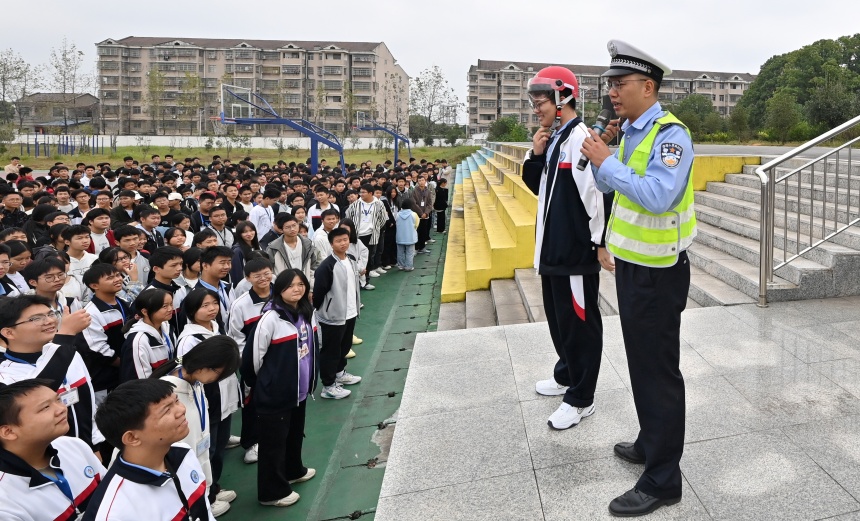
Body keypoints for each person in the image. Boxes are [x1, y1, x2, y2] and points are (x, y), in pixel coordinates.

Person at [580, 40, 696, 517]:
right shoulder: (630, 130)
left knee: (658, 373)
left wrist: (610, 160)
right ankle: (652, 442)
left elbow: (656, 197)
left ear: (648, 87)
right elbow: (612, 185)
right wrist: (603, 157)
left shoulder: (671, 135)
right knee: (642, 365)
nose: (612, 92)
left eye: (620, 84)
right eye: (609, 84)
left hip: (658, 274)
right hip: (632, 267)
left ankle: (664, 479)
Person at [520, 65, 609, 432]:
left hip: (574, 254)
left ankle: (581, 398)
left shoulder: (580, 138)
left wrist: (600, 243)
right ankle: (566, 373)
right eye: (535, 101)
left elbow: (597, 196)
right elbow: (539, 187)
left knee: (580, 327)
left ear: (563, 98)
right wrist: (536, 153)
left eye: (541, 100)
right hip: (553, 253)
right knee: (559, 322)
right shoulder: (556, 137)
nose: (536, 107)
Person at [84, 379, 216, 521]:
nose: (181, 410)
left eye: (176, 401)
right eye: (166, 410)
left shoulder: (183, 453)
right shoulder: (115, 512)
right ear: (132, 438)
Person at [243, 269, 318, 507]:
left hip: (300, 389)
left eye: (301, 284)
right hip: (276, 393)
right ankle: (271, 492)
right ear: (279, 290)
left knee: (295, 433)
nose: (297, 289)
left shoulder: (307, 313)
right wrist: (268, 384)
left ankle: (293, 470)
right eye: (290, 286)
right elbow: (253, 359)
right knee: (273, 444)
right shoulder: (270, 319)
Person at [151, 337, 241, 518]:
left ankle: (208, 493)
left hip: (199, 453)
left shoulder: (195, 382)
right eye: (219, 373)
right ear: (203, 366)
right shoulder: (167, 394)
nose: (217, 378)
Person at [0, 295, 101, 452]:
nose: (49, 321)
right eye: (36, 318)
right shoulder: (4, 375)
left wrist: (93, 446)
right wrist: (65, 335)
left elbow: (88, 402)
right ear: (9, 332)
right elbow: (38, 392)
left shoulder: (69, 354)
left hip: (85, 450)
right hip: (43, 459)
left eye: (50, 314)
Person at [0, 379, 106, 520]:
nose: (61, 409)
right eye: (45, 407)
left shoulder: (73, 445)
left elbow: (112, 496)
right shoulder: (5, 502)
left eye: (58, 400)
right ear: (9, 432)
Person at [175, 291, 240, 517]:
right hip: (208, 402)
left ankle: (215, 486)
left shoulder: (215, 327)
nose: (212, 309)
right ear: (192, 311)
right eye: (205, 305)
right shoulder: (189, 339)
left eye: (214, 303)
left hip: (224, 398)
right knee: (206, 450)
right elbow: (190, 376)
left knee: (219, 445)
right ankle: (205, 499)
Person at [312, 227, 361, 399]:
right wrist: (324, 310)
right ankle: (328, 385)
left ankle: (340, 373)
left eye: (345, 240)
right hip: (332, 316)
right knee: (330, 351)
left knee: (344, 346)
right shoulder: (327, 266)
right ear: (331, 244)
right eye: (338, 241)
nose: (343, 243)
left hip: (350, 312)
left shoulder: (352, 260)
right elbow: (319, 292)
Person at [77, 263, 128, 409]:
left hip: (123, 373)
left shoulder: (122, 303)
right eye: (110, 278)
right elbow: (98, 349)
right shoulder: (91, 313)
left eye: (118, 275)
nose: (117, 279)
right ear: (94, 286)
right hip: (106, 379)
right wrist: (125, 364)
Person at [119, 288, 175, 382]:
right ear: (144, 312)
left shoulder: (167, 328)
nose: (170, 309)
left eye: (171, 304)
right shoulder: (139, 341)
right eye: (164, 306)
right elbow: (141, 382)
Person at [345, 184, 388, 278]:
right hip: (357, 234)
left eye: (364, 192)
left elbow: (383, 218)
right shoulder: (355, 204)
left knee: (370, 256)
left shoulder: (379, 204)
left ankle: (367, 277)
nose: (361, 194)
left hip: (371, 234)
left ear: (370, 193)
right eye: (360, 192)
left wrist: (375, 227)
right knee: (356, 256)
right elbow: (348, 216)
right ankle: (357, 278)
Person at [265, 215, 314, 281]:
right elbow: (269, 269)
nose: (292, 229)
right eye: (287, 227)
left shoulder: (307, 244)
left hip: (305, 284)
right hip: (283, 286)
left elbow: (314, 264)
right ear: (281, 230)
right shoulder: (273, 248)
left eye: (294, 225)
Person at [230, 221, 262, 286]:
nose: (249, 234)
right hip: (246, 284)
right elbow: (237, 273)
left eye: (251, 230)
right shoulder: (237, 251)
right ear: (239, 234)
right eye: (245, 232)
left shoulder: (257, 246)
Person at [411, 176, 433, 254]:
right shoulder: (414, 191)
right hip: (417, 215)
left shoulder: (428, 191)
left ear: (425, 181)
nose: (421, 182)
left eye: (422, 180)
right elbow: (414, 203)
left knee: (424, 231)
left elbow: (430, 203)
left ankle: (422, 247)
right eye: (419, 180)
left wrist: (426, 213)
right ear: (417, 182)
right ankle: (416, 248)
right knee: (417, 231)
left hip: (425, 215)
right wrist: (421, 213)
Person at [395, 199, 419, 271]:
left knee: (400, 252)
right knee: (410, 252)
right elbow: (416, 225)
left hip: (400, 237)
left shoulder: (398, 214)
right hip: (410, 237)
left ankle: (401, 266)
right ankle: (408, 266)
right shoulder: (414, 214)